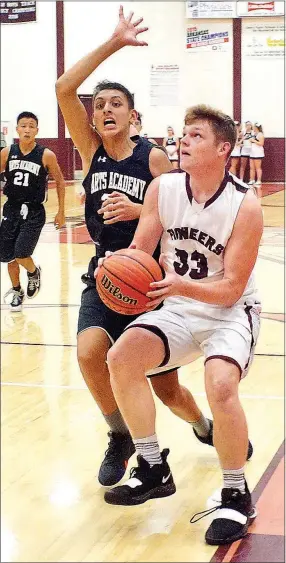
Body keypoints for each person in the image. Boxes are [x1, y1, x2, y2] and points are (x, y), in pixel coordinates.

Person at [56, 6, 228, 489]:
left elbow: (183, 214)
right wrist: (114, 41)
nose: (104, 110)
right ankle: (120, 436)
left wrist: (139, 213)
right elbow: (64, 89)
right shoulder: (89, 152)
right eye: (100, 105)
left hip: (150, 280)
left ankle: (201, 425)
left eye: (115, 104)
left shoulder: (151, 157)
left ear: (133, 116)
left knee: (168, 389)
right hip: (107, 272)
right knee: (90, 350)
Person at [103, 104, 263, 546]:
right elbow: (141, 247)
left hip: (229, 312)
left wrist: (175, 286)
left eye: (195, 135)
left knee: (221, 384)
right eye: (183, 134)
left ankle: (235, 492)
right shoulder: (164, 188)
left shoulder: (244, 204)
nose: (182, 141)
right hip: (177, 302)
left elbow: (231, 288)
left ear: (223, 148)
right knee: (121, 358)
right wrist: (118, 266)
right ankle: (153, 467)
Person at [0, 111, 66, 312]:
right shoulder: (6, 152)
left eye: (31, 126)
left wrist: (61, 211)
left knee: (21, 254)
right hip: (10, 209)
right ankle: (17, 291)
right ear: (17, 129)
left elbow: (61, 182)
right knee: (7, 257)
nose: (27, 129)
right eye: (23, 125)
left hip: (34, 211)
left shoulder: (46, 154)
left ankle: (33, 272)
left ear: (37, 130)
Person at [250, 122, 265, 188]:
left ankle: (259, 180)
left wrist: (253, 141)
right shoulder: (253, 134)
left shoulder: (260, 134)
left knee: (258, 167)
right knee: (251, 167)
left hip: (258, 153)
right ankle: (252, 180)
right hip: (252, 152)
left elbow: (261, 143)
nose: (253, 128)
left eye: (254, 127)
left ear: (256, 127)